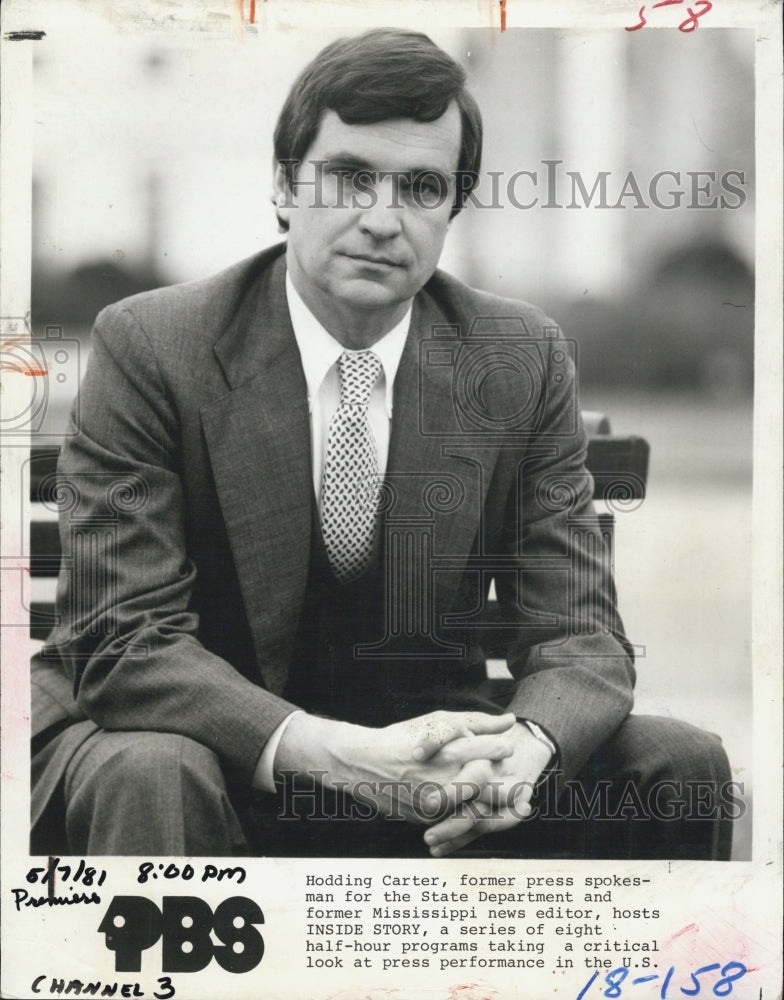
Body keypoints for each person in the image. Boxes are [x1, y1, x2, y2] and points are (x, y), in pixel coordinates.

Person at [31, 28, 733, 860]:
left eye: (421, 187)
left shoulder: (518, 358)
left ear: (451, 213)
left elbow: (577, 632)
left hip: (430, 787)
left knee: (679, 762)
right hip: (206, 757)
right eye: (351, 176)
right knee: (151, 770)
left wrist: (529, 748)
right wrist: (338, 755)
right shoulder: (153, 345)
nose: (381, 218)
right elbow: (123, 639)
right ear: (285, 185)